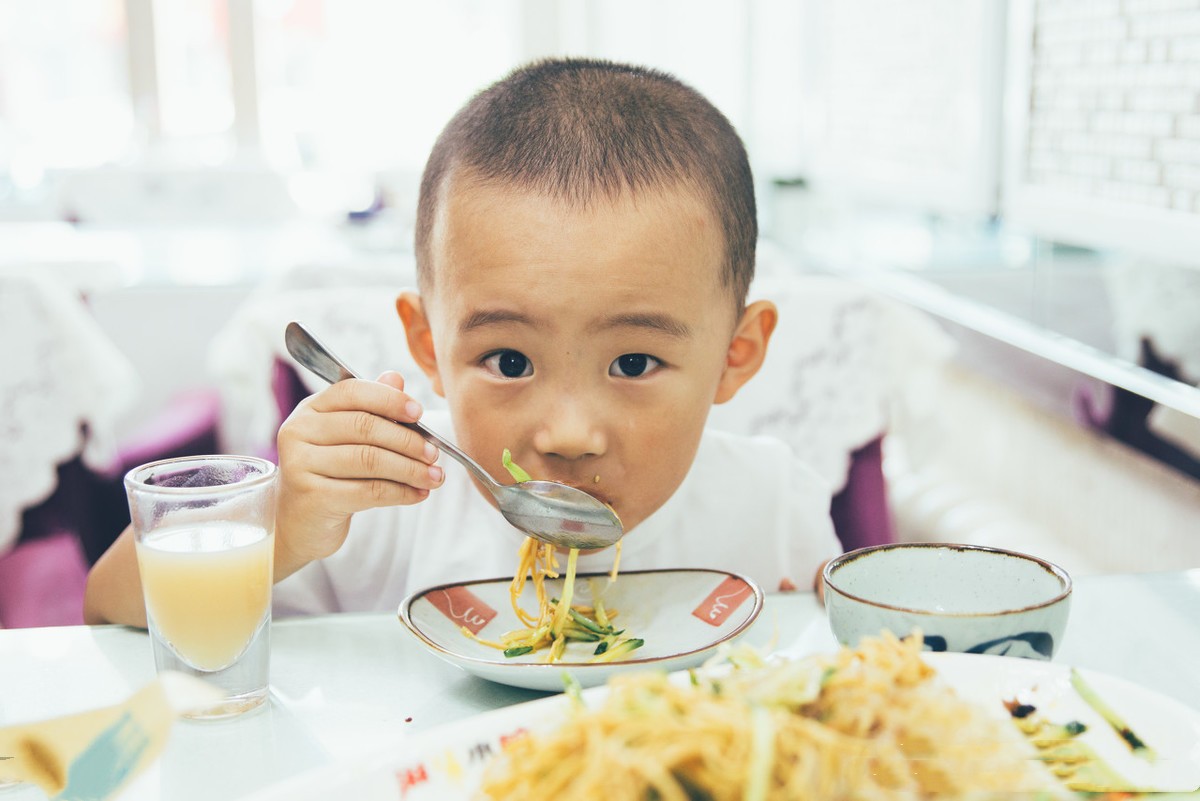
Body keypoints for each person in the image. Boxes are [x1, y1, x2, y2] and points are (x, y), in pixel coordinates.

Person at [84, 57, 841, 625]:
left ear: (736, 355)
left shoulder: (773, 503)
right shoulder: (382, 509)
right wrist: (284, 524)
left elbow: (844, 673)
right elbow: (108, 611)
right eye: (509, 361)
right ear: (427, 343)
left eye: (634, 362)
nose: (570, 433)